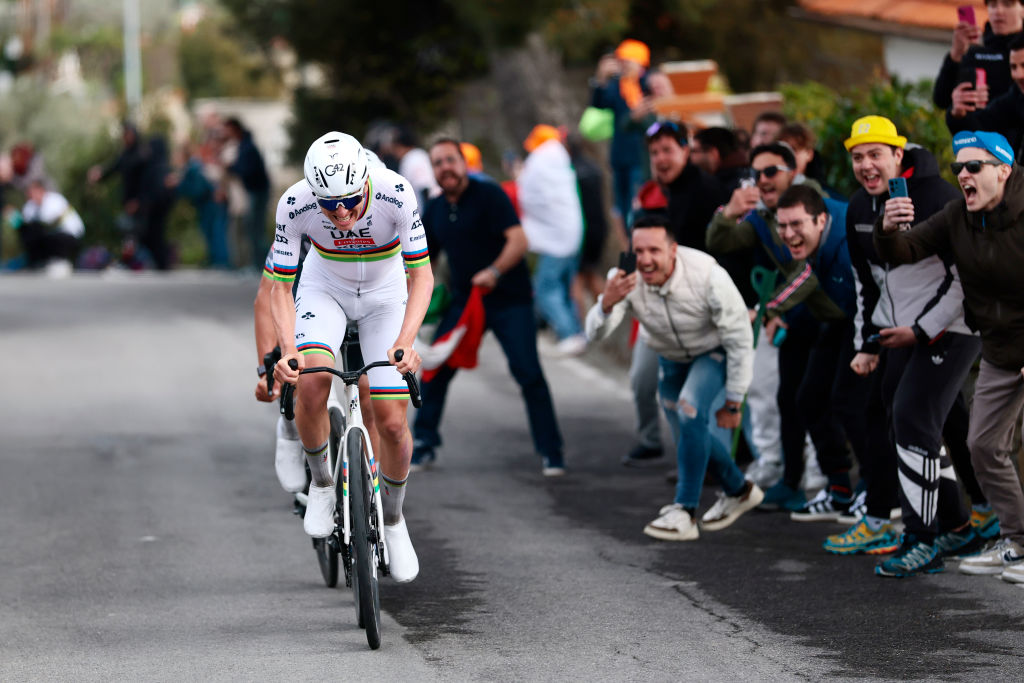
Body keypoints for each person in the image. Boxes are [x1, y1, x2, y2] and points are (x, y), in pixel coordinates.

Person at [271, 131, 433, 583]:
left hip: (385, 294)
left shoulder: (395, 192)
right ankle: (323, 485)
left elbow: (421, 277)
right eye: (328, 204)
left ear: (365, 182)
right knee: (312, 380)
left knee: (393, 420)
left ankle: (396, 521)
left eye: (348, 200)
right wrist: (288, 350)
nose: (340, 213)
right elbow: (282, 287)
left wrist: (406, 340)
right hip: (327, 289)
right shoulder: (294, 202)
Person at [834, 116, 985, 575]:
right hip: (903, 331)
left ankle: (923, 538)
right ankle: (959, 525)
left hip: (954, 326)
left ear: (898, 155)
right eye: (858, 157)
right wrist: (868, 343)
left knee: (913, 417)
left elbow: (964, 279)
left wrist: (921, 330)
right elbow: (866, 282)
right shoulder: (859, 207)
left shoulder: (938, 198)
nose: (866, 165)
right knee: (902, 416)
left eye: (876, 154)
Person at [877, 130, 1024, 581]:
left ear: (1003, 170)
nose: (963, 174)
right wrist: (889, 229)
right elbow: (906, 250)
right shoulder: (957, 216)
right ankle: (1018, 542)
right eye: (959, 166)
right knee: (983, 446)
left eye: (974, 166)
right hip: (1000, 348)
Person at [586, 212, 762, 541]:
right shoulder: (624, 277)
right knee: (689, 434)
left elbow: (740, 338)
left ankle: (684, 510)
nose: (645, 260)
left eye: (654, 250)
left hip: (712, 352)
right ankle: (739, 489)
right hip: (669, 356)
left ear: (673, 250)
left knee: (689, 408)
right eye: (638, 251)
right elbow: (595, 334)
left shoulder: (707, 274)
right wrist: (606, 305)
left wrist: (734, 400)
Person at [412, 138, 566, 476]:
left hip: (509, 298)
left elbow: (519, 240)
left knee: (528, 373)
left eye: (450, 160)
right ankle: (423, 442)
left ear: (463, 163)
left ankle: (551, 451)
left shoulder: (489, 194)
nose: (445, 168)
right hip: (465, 301)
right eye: (438, 163)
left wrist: (494, 271)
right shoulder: (436, 208)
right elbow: (424, 259)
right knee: (436, 369)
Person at [621, 120, 728, 467]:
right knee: (642, 380)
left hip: (701, 311)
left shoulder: (708, 192)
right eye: (654, 153)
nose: (661, 159)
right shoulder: (652, 193)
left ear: (687, 150)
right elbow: (635, 247)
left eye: (668, 150)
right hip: (656, 307)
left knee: (696, 398)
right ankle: (657, 443)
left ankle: (709, 466)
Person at [517, 124, 587, 355]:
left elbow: (532, 196)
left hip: (557, 240)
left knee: (546, 288)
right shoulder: (558, 160)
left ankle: (569, 333)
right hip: (571, 235)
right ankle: (575, 332)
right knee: (564, 287)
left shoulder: (544, 160)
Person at [590, 39, 651, 227]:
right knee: (623, 209)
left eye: (625, 60)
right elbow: (599, 104)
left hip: (640, 158)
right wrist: (601, 78)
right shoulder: (618, 85)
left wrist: (635, 75)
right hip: (620, 158)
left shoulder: (647, 82)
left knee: (637, 208)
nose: (621, 64)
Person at [934, 1, 1024, 114]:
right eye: (993, 5)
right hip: (975, 129)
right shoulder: (974, 52)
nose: (998, 11)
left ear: (1022, 9)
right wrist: (956, 54)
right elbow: (941, 100)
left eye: (1007, 4)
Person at [946, 34, 1024, 156]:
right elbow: (980, 131)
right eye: (1013, 67)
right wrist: (958, 113)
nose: (1018, 74)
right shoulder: (1013, 100)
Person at [223, 117, 271, 271]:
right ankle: (257, 264)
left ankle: (260, 264)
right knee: (252, 228)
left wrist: (232, 168)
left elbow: (247, 170)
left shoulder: (247, 147)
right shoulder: (244, 146)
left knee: (255, 229)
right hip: (253, 191)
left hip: (257, 192)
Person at [18, 178, 84, 274]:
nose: (31, 195)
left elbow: (50, 224)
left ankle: (61, 261)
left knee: (42, 232)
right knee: (28, 232)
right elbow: (26, 224)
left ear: (41, 190)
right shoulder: (30, 205)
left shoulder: (55, 200)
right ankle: (38, 262)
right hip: (50, 236)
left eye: (33, 192)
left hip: (69, 236)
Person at [382, 125, 440, 211]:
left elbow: (424, 189)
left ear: (399, 146)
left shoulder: (411, 159)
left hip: (430, 208)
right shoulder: (418, 154)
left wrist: (426, 217)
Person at [690, 126, 749, 193]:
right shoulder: (745, 174)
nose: (690, 156)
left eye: (694, 151)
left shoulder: (718, 188)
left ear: (713, 153)